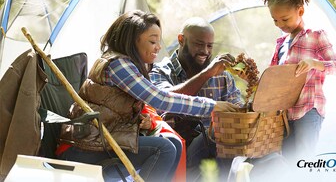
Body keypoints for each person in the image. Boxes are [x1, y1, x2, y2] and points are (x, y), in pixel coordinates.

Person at [56, 10, 239, 182]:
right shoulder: (118, 64)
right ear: (133, 41)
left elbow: (119, 106)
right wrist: (212, 106)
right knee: (164, 149)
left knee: (173, 144)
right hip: (84, 147)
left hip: (102, 140)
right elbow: (160, 99)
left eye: (159, 41)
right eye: (153, 41)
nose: (159, 47)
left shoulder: (130, 65)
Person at [149, 17, 244, 181]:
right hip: (180, 154)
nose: (205, 52)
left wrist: (253, 84)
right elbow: (165, 99)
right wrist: (207, 73)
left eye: (209, 46)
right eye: (199, 44)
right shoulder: (160, 71)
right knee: (218, 132)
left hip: (221, 153)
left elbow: (240, 111)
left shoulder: (223, 75)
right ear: (181, 40)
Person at [260, 0, 336, 163]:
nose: (280, 24)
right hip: (285, 114)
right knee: (286, 163)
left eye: (285, 19)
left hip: (308, 110)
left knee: (303, 162)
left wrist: (315, 63)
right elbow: (273, 78)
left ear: (300, 11)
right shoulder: (280, 44)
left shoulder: (315, 35)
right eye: (275, 20)